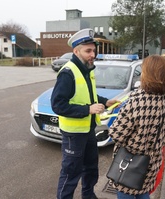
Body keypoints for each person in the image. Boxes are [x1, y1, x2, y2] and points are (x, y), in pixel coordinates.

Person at [51, 28, 119, 199]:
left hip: (88, 130)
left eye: (93, 50)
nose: (92, 54)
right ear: (76, 51)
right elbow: (57, 105)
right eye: (88, 51)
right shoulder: (68, 73)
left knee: (91, 168)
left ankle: (88, 196)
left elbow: (90, 96)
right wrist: (87, 110)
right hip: (73, 135)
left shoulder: (86, 69)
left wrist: (104, 101)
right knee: (70, 173)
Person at [108, 55, 165, 199]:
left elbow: (116, 134)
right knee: (143, 192)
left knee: (126, 192)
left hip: (129, 163)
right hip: (152, 162)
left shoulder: (135, 101)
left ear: (147, 75)